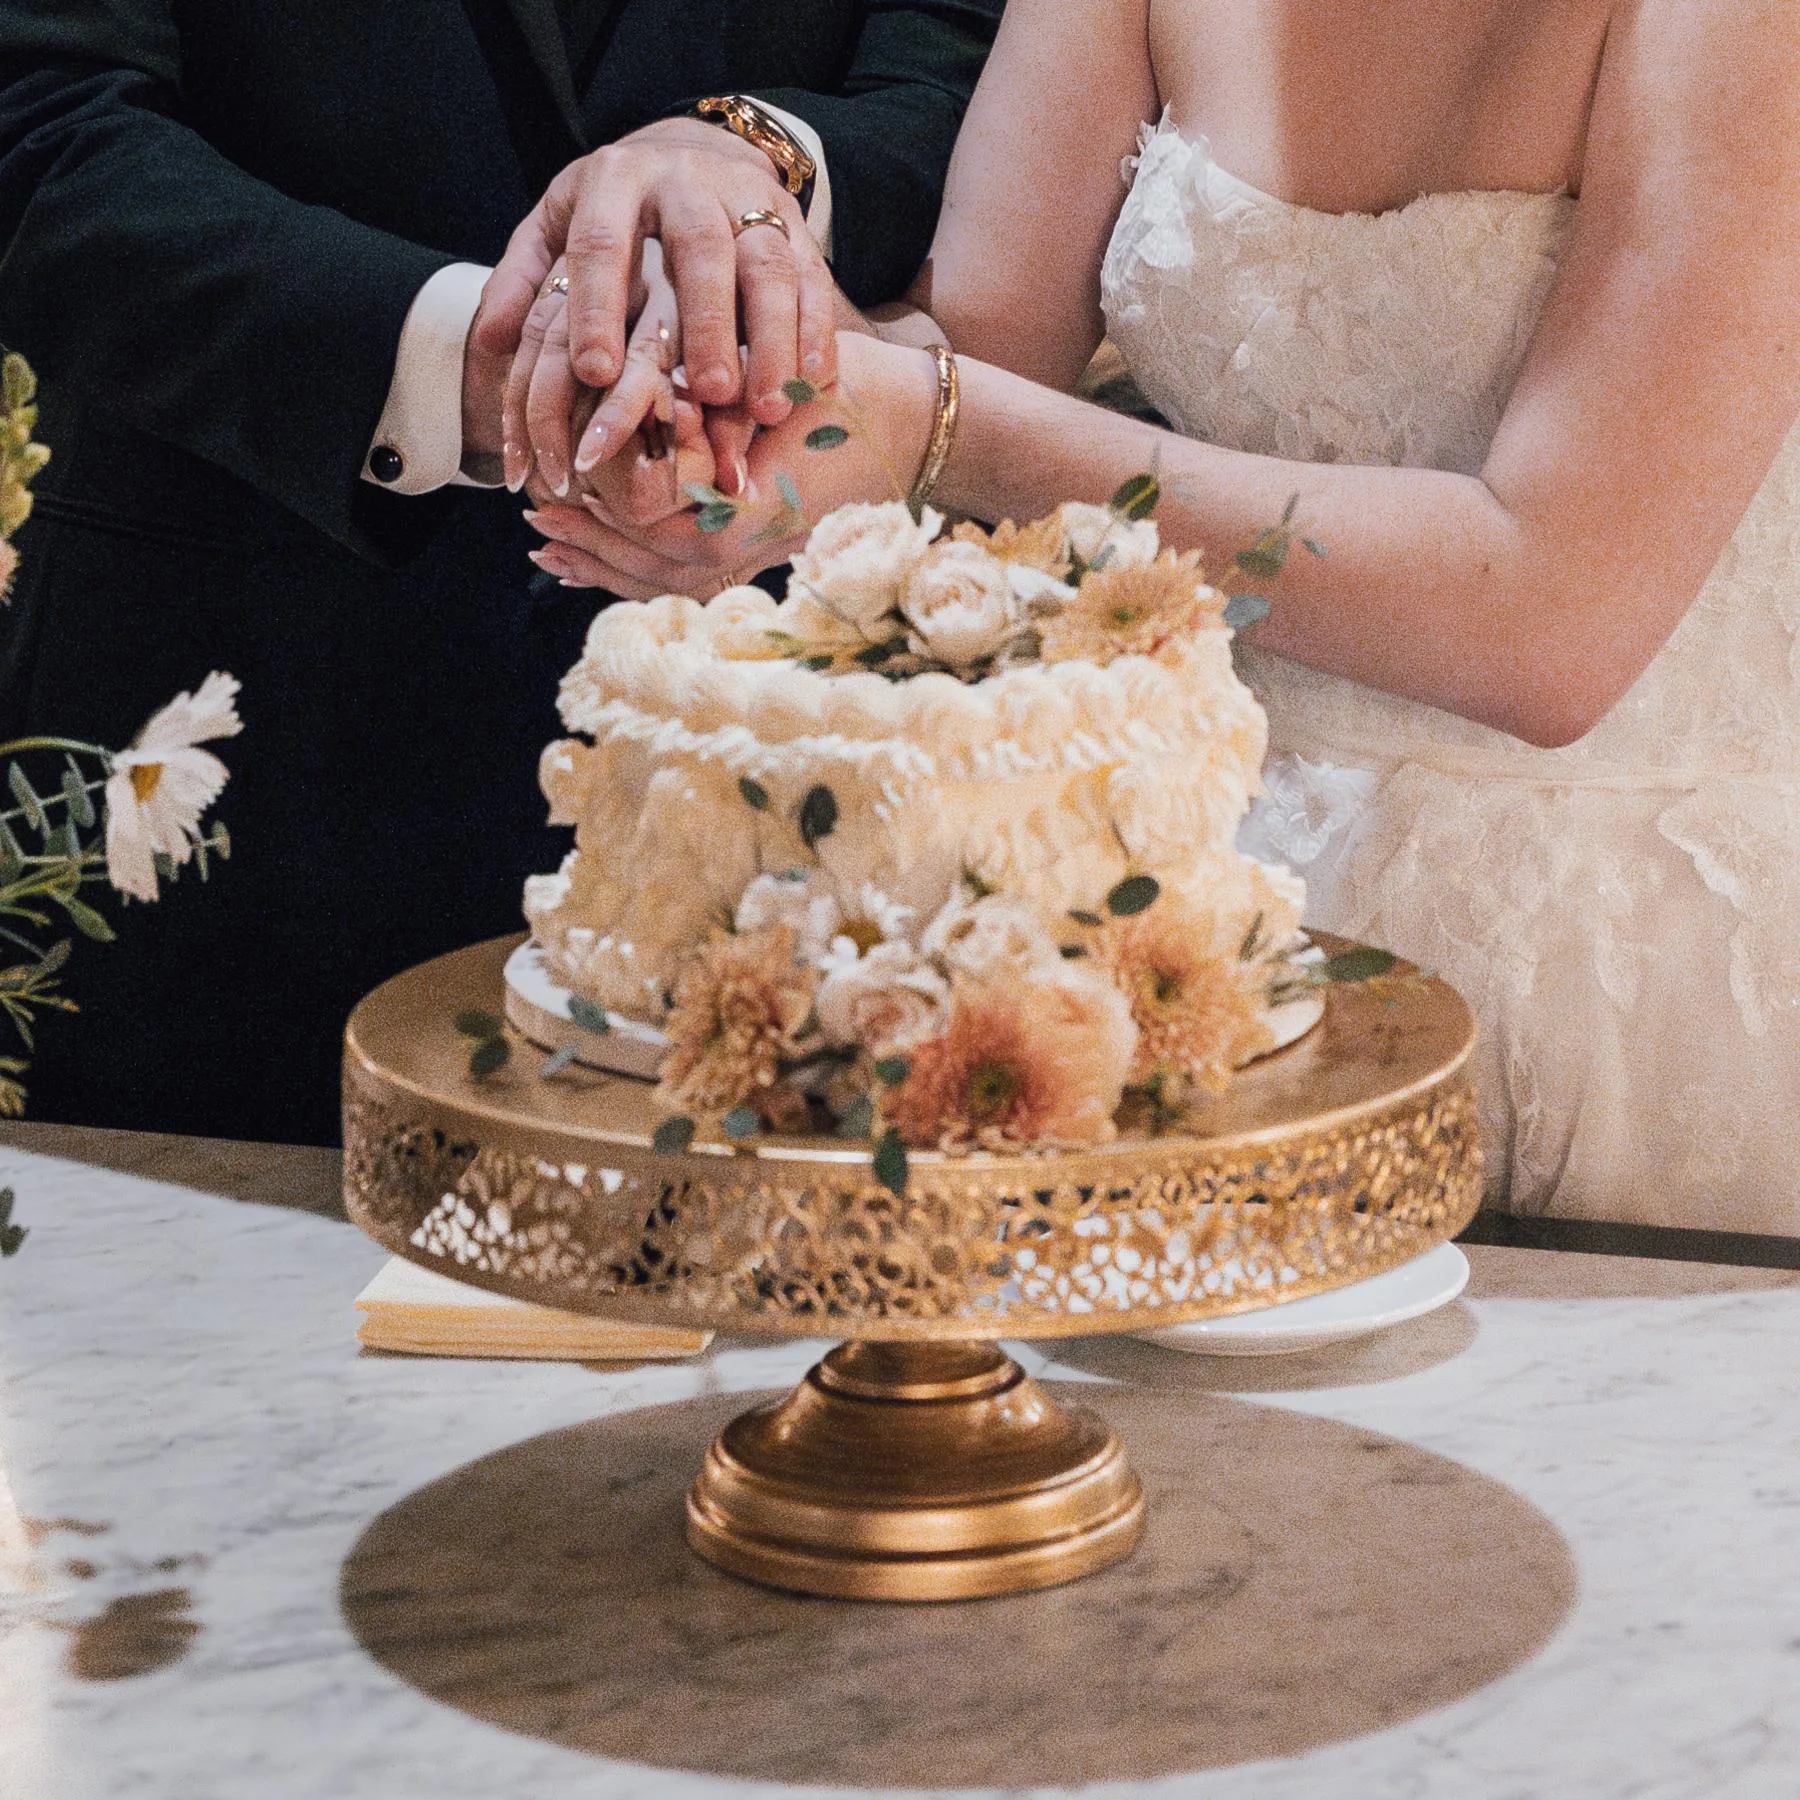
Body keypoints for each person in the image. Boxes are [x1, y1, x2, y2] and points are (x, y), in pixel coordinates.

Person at [524, 0, 1800, 1232]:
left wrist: (921, 421)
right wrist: (733, 351)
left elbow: (1549, 624)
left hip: (1626, 962)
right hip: (1192, 908)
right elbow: (972, 358)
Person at [0, 0, 1002, 1144]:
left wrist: (754, 152)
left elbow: (965, 56)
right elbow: (40, 121)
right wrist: (485, 368)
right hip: (237, 772)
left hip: (813, 777)